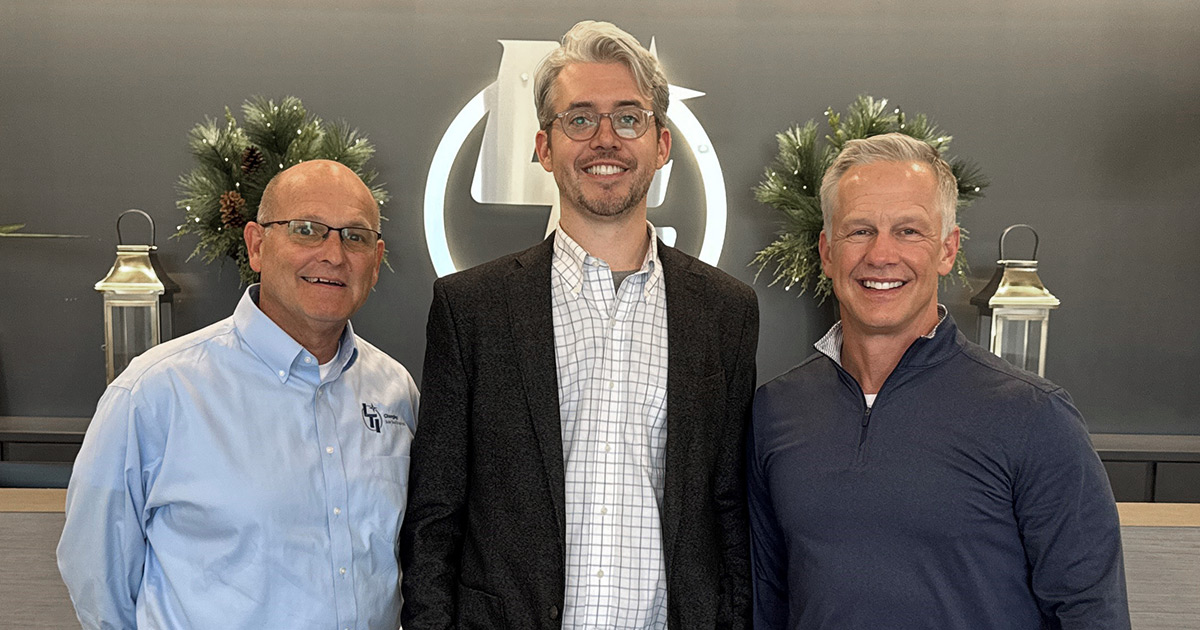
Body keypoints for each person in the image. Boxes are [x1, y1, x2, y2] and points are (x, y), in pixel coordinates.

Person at [400, 20, 758, 630]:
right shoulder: (473, 309)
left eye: (628, 117)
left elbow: (726, 509)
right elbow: (437, 517)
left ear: (661, 143)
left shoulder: (724, 311)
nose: (605, 139)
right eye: (579, 118)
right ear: (543, 146)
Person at [748, 133, 1130, 629]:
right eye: (859, 230)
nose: (881, 255)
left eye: (909, 231)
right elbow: (765, 604)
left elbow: (1091, 614)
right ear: (826, 251)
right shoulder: (776, 410)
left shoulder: (1034, 416)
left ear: (947, 250)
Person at [57, 160, 418, 629]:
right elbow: (97, 577)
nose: (333, 254)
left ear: (375, 260)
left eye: (355, 236)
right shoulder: (155, 393)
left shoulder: (395, 392)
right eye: (306, 230)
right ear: (257, 245)